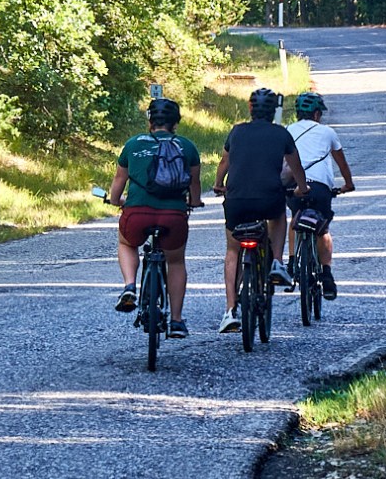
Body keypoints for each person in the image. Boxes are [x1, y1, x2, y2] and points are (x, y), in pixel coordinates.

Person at [210, 87, 308, 334]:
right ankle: (276, 261)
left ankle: (230, 311)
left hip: (236, 200)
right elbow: (295, 167)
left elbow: (224, 162)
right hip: (268, 197)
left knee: (233, 251)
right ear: (275, 109)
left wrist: (218, 184)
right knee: (278, 217)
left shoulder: (237, 131)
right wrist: (302, 188)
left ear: (250, 108)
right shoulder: (281, 134)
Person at [108, 97, 202, 339]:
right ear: (176, 123)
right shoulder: (187, 146)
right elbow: (194, 184)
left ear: (150, 120)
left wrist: (114, 200)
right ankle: (177, 321)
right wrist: (194, 202)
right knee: (176, 262)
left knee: (126, 243)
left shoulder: (132, 144)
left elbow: (119, 181)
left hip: (137, 213)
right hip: (174, 217)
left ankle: (130, 285)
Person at [284, 91, 355, 300]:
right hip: (320, 189)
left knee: (295, 217)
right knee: (322, 226)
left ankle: (290, 264)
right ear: (316, 114)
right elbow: (341, 163)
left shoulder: (287, 131)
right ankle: (326, 274)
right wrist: (348, 185)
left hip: (295, 185)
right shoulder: (328, 132)